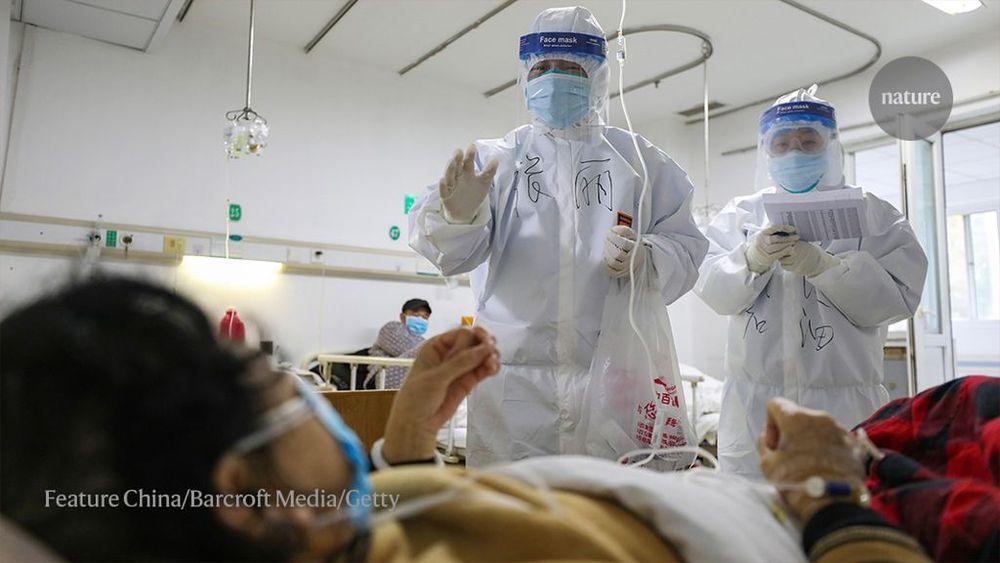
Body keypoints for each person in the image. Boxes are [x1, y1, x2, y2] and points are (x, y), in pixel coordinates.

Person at [0, 277, 929, 562]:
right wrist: (826, 490)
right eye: (271, 383)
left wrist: (406, 439)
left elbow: (380, 528)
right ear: (242, 495)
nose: (300, 389)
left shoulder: (319, 533)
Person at [408, 6, 708, 466]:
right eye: (541, 67)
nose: (552, 78)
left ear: (597, 76)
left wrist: (646, 257)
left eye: (568, 67)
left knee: (605, 504)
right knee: (516, 503)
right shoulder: (496, 161)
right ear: (524, 76)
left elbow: (688, 248)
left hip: (611, 378)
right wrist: (457, 216)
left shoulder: (642, 164)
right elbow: (448, 255)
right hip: (514, 384)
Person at [695, 85, 928, 478]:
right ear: (766, 150)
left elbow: (897, 299)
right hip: (755, 412)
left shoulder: (874, 216)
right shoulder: (743, 215)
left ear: (831, 144)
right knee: (754, 509)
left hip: (844, 408)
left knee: (839, 503)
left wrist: (826, 267)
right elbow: (712, 290)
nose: (795, 153)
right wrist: (751, 259)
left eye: (808, 141)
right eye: (782, 143)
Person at [366, 298, 432, 389]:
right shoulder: (391, 328)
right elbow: (405, 349)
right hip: (382, 375)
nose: (420, 320)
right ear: (402, 316)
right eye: (415, 315)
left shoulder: (421, 340)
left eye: (425, 317)